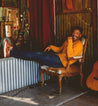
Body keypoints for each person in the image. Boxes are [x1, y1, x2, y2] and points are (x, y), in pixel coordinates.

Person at [4, 26, 83, 68]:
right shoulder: (69, 41)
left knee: (37, 55)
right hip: (57, 58)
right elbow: (60, 49)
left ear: (80, 35)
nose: (74, 35)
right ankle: (11, 51)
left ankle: (12, 51)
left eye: (77, 33)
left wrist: (69, 41)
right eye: (73, 33)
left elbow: (70, 56)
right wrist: (51, 47)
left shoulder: (79, 45)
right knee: (36, 54)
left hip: (62, 63)